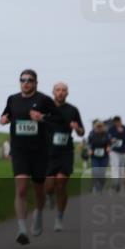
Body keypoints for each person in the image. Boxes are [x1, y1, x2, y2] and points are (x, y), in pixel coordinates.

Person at [0, 69, 58, 245]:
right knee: (22, 189)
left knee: (39, 190)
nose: (26, 83)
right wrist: (4, 119)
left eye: (29, 80)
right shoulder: (13, 99)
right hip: (19, 150)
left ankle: (38, 213)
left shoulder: (44, 100)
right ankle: (22, 228)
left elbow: (57, 121)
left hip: (40, 151)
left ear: (36, 83)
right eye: (22, 80)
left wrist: (42, 118)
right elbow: (7, 115)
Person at [42, 82, 85, 231]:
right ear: (53, 92)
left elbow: (81, 132)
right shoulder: (46, 109)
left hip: (65, 151)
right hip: (48, 152)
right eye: (58, 90)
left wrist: (77, 128)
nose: (60, 92)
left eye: (63, 90)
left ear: (67, 93)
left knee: (61, 183)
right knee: (48, 187)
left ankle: (59, 217)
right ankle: (49, 196)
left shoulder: (73, 110)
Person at [107, 116, 125, 193]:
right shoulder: (111, 129)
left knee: (121, 169)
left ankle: (119, 184)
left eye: (118, 121)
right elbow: (108, 138)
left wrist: (121, 133)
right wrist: (112, 139)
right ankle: (115, 184)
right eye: (115, 122)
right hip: (114, 151)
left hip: (123, 152)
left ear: (120, 121)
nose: (116, 123)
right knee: (115, 167)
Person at [88, 120, 112, 194]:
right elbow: (89, 143)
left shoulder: (107, 134)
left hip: (104, 156)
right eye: (97, 127)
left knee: (102, 172)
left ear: (103, 127)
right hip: (94, 156)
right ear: (95, 127)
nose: (99, 128)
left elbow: (109, 143)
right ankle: (95, 187)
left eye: (100, 127)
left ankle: (100, 187)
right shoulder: (92, 134)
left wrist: (108, 147)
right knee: (95, 171)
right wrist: (90, 150)